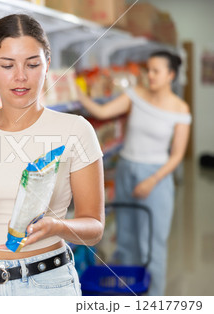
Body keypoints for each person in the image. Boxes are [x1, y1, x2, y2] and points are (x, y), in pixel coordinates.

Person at [0, 14, 105, 296]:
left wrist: (57, 226)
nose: (21, 76)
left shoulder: (74, 130)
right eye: (7, 65)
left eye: (32, 64)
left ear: (47, 66)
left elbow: (94, 227)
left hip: (46, 284)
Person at [77, 51, 191, 295]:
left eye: (156, 71)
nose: (149, 75)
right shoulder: (135, 95)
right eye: (147, 69)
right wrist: (75, 93)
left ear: (170, 75)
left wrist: (152, 180)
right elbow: (102, 113)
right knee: (126, 239)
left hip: (157, 176)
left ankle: (154, 299)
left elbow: (177, 155)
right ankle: (129, 296)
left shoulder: (180, 109)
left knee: (152, 245)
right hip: (126, 169)